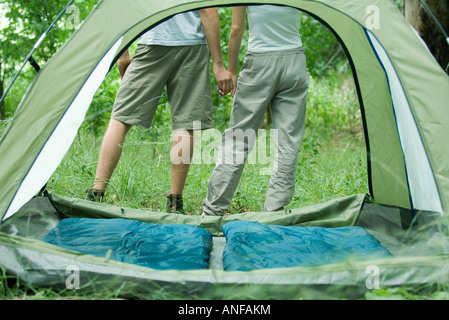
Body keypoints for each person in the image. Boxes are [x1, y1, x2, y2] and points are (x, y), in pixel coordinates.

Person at [86, 8, 232, 214]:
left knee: (121, 117)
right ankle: (175, 202)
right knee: (186, 123)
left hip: (153, 40)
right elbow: (208, 10)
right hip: (192, 44)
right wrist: (218, 64)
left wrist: (123, 54)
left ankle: (96, 194)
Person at [202, 5, 309, 216]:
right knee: (288, 142)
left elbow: (236, 29)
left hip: (260, 60)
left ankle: (212, 212)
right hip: (295, 60)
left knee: (238, 138)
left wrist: (231, 71)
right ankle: (273, 212)